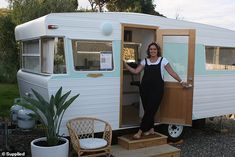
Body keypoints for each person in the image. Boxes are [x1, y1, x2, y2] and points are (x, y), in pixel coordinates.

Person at [123, 42, 188, 139]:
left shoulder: (163, 60)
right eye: (151, 49)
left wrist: (181, 81)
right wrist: (125, 65)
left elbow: (171, 72)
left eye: (154, 49)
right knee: (148, 110)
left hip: (157, 90)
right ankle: (151, 129)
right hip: (144, 89)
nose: (152, 51)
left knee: (150, 110)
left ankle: (140, 131)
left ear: (157, 50)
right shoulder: (145, 61)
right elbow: (136, 71)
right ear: (148, 51)